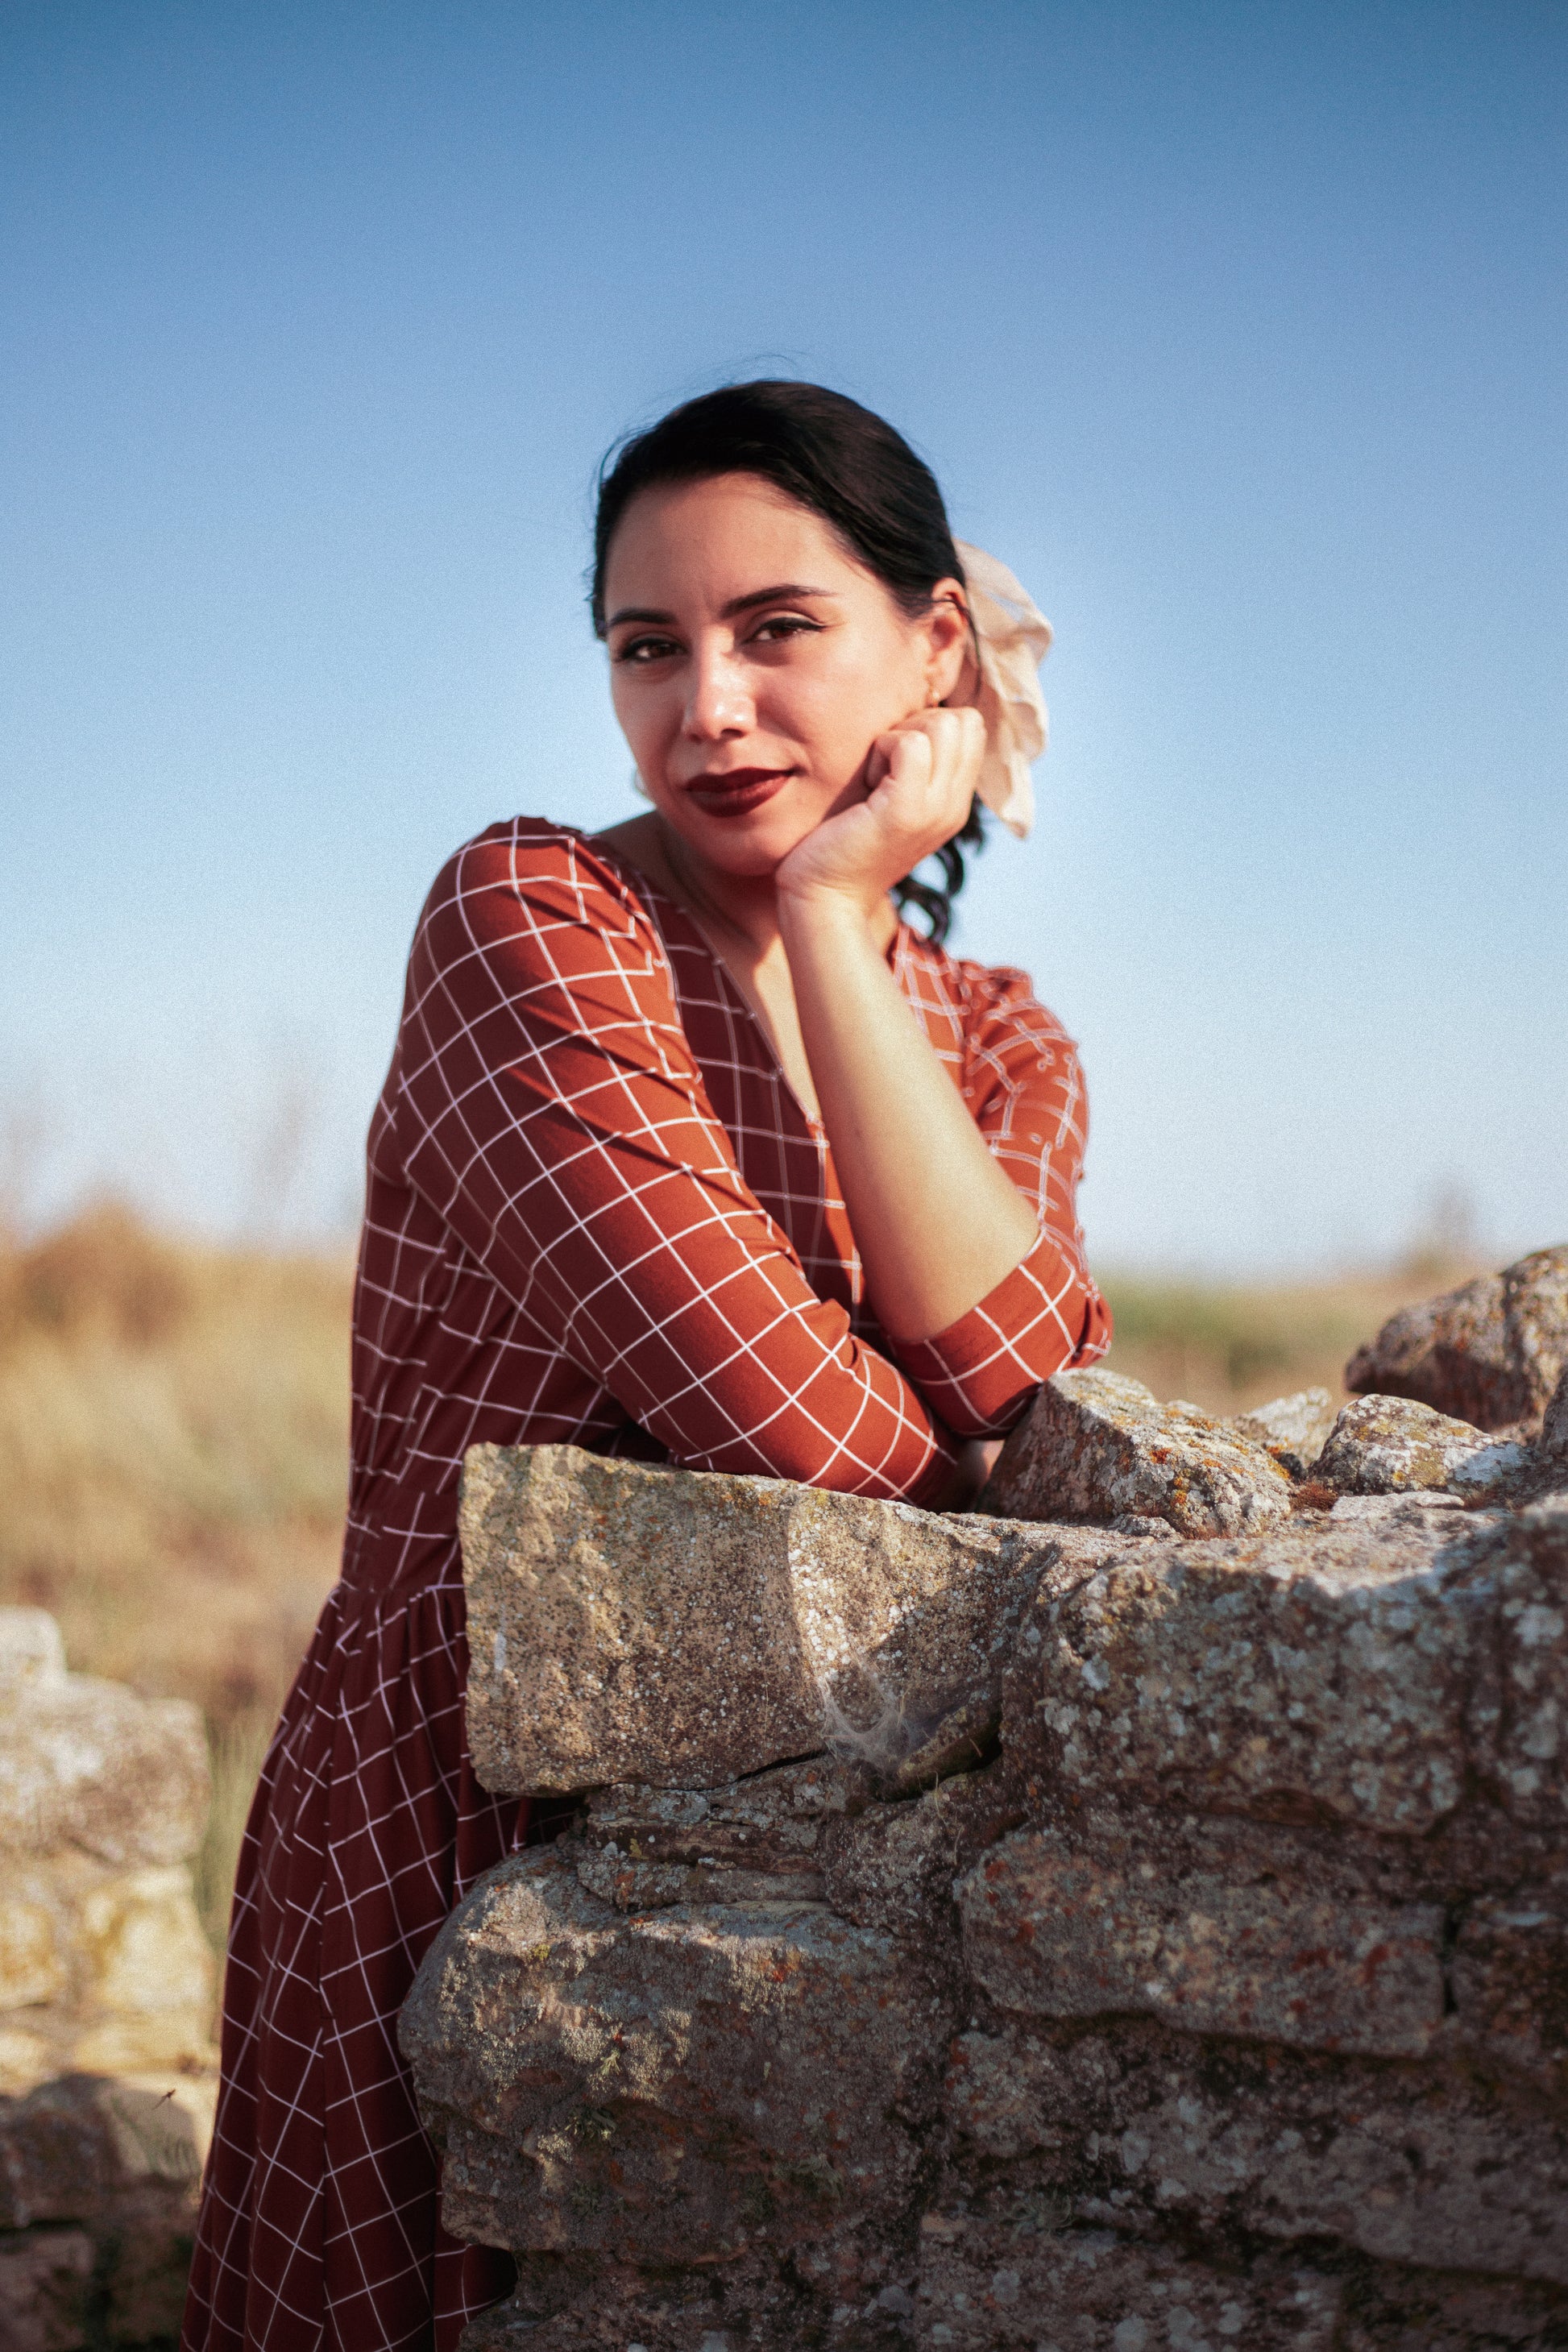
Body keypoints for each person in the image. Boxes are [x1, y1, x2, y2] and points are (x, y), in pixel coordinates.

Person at [181, 380, 1110, 2351]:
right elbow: (813, 1430)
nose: (708, 708)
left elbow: (1024, 1384)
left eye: (778, 629)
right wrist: (949, 1418)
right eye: (646, 645)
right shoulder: (537, 918)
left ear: (932, 651)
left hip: (837, 1862)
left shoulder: (1003, 1037)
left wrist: (839, 926)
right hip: (456, 1802)